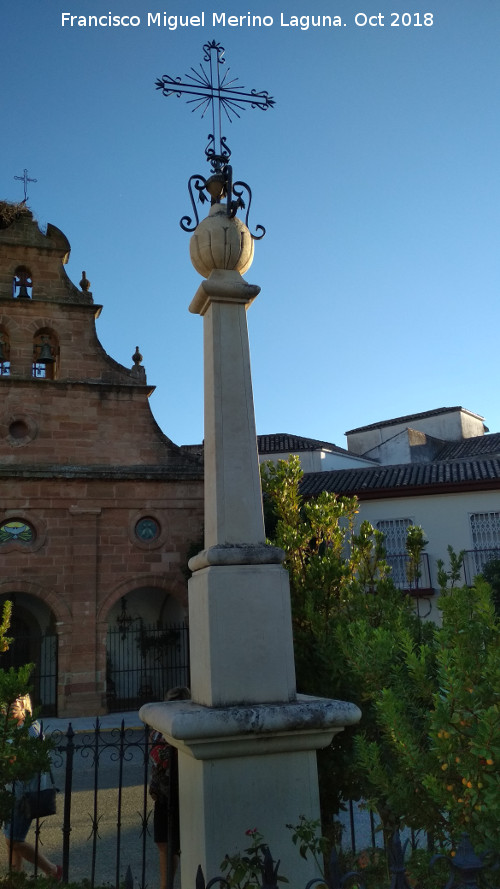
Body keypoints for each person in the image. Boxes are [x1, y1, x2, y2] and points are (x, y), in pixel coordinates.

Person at [3, 695, 61, 881]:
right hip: (12, 790)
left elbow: (35, 761)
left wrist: (11, 758)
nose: (13, 706)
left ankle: (52, 870)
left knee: (14, 839)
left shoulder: (30, 728)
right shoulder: (9, 728)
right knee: (11, 838)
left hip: (26, 793)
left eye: (17, 702)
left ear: (26, 705)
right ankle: (16, 878)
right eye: (10, 702)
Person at [149, 686, 190, 889]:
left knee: (177, 844)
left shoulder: (183, 729)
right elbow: (158, 756)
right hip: (165, 794)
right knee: (164, 844)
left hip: (182, 792)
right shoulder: (160, 733)